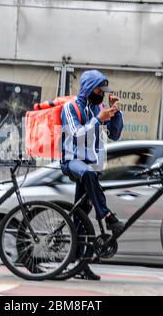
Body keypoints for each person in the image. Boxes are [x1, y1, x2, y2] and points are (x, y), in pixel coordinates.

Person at [60, 70, 124, 280]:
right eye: (99, 90)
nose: (103, 94)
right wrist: (97, 119)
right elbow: (76, 133)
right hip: (72, 162)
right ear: (89, 88)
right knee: (87, 174)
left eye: (104, 91)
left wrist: (116, 112)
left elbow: (114, 135)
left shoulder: (98, 107)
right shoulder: (71, 107)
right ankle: (105, 214)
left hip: (91, 166)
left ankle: (81, 265)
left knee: (81, 218)